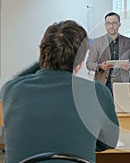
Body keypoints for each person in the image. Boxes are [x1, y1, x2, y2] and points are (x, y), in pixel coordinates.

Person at [0, 20, 119, 163]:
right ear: (79, 64)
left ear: (41, 54)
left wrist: (48, 59)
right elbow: (108, 143)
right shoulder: (98, 92)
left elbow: (19, 79)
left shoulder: (11, 89)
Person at [86, 12, 130, 93]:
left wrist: (129, 65)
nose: (111, 26)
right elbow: (89, 64)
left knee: (123, 105)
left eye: (114, 23)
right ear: (105, 25)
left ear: (119, 24)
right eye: (108, 23)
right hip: (103, 83)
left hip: (122, 82)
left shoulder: (128, 41)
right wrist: (100, 66)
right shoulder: (97, 42)